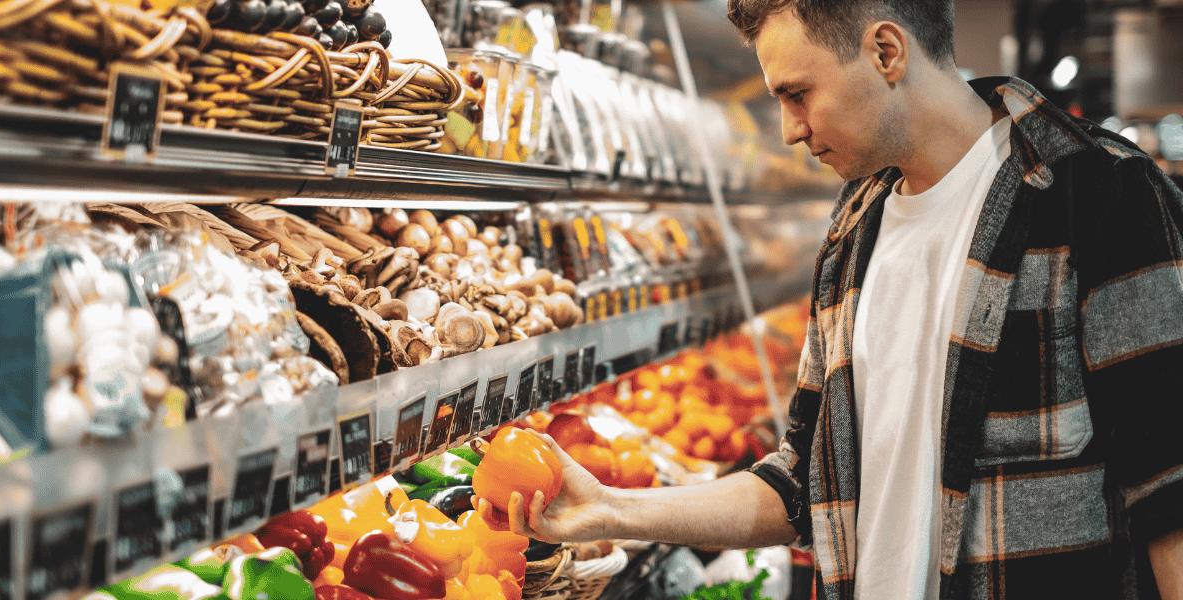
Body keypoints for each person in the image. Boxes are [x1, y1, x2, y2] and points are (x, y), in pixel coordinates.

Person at [473, 1, 1183, 598]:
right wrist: (608, 508)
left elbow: (1170, 492)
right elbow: (804, 484)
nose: (789, 129)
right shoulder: (855, 226)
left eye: (797, 93)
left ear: (885, 52)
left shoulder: (1098, 194)